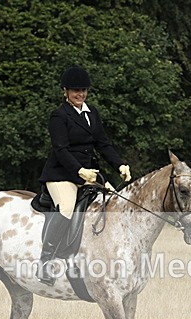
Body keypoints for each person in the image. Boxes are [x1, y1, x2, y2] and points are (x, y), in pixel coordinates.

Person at [37, 66, 132, 285]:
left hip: (90, 174)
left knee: (114, 201)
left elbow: (103, 144)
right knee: (67, 208)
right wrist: (79, 171)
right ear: (65, 91)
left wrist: (120, 164)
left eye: (83, 90)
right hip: (62, 174)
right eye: (75, 91)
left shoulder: (92, 113)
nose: (80, 94)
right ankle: (45, 262)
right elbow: (60, 150)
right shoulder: (59, 116)